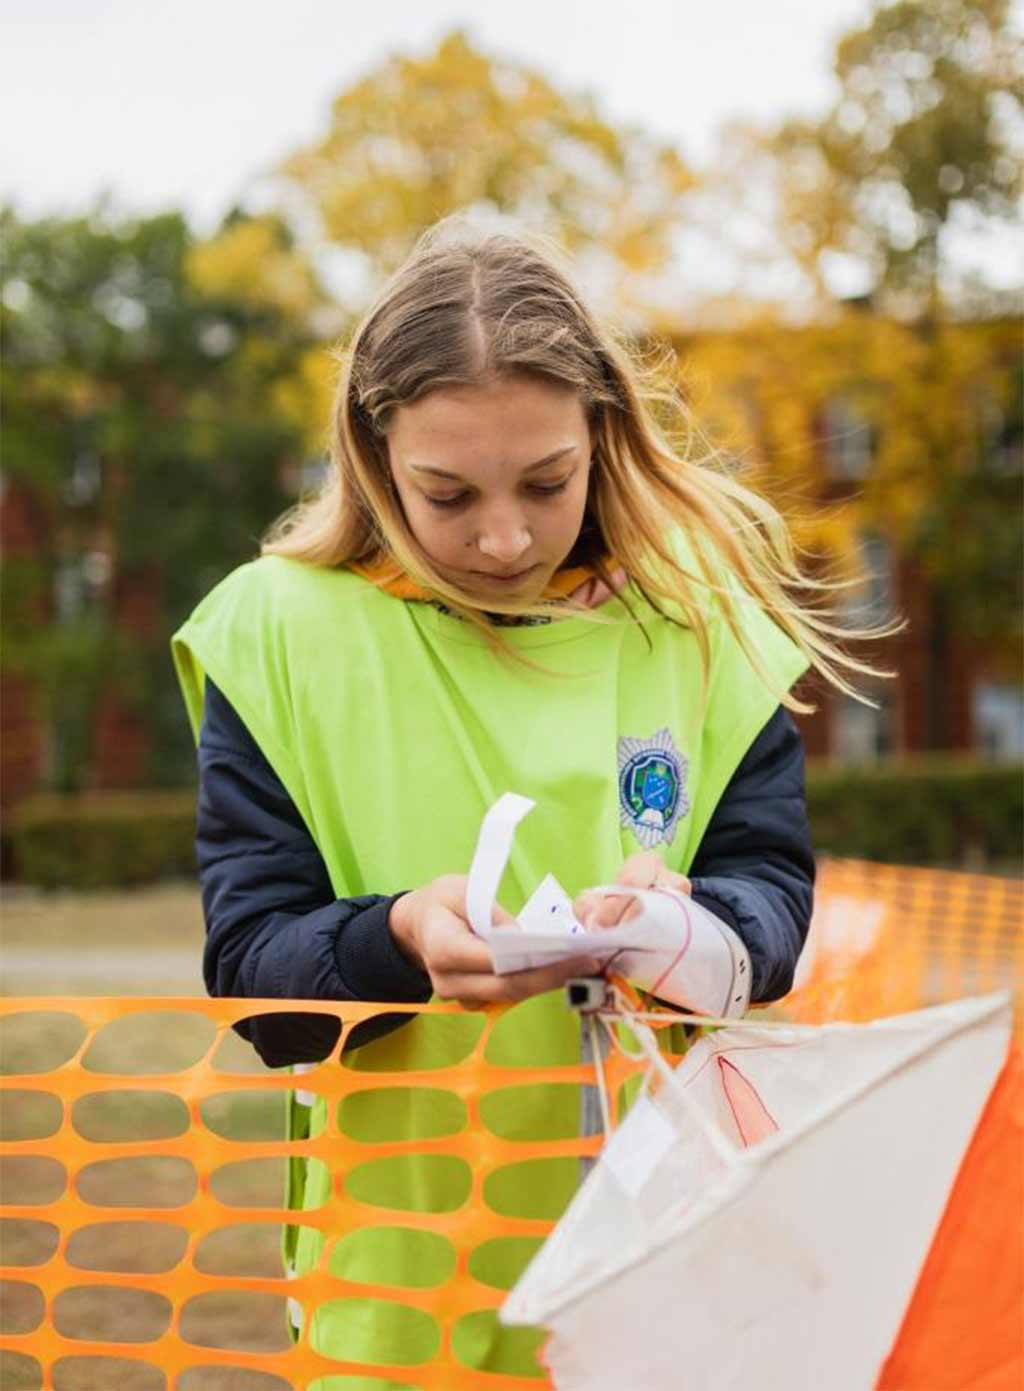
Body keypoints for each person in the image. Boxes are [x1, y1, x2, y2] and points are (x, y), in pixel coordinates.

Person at [171, 215, 890, 1381]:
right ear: (370, 449)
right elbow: (258, 983)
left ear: (602, 436)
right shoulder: (278, 636)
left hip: (673, 1276)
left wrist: (693, 932)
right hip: (402, 1306)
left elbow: (771, 908)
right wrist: (394, 938)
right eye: (446, 493)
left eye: (547, 482)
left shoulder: (698, 625)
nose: (503, 537)